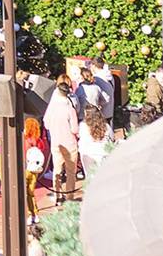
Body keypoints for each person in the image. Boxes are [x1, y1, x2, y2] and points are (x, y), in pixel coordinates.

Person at [44, 75, 80, 203]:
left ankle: (57, 196)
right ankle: (69, 196)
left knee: (57, 170)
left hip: (56, 142)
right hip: (69, 143)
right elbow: (75, 129)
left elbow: (46, 124)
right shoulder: (70, 109)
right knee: (71, 172)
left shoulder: (52, 108)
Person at [24, 116, 50, 224]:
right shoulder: (38, 141)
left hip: (26, 169)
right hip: (34, 171)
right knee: (31, 193)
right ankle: (34, 213)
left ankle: (29, 214)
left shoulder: (26, 140)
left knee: (25, 193)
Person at [79, 106, 112, 172]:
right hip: (103, 154)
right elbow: (112, 138)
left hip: (88, 154)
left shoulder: (83, 126)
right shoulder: (106, 126)